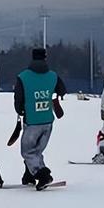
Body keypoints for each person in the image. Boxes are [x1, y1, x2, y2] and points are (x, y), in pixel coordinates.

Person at [14, 48, 66, 190]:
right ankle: (29, 175)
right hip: (48, 121)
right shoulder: (53, 76)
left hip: (32, 121)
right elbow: (62, 90)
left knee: (28, 152)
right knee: (36, 151)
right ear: (45, 58)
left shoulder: (23, 77)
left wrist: (20, 110)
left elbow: (18, 99)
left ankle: (43, 175)